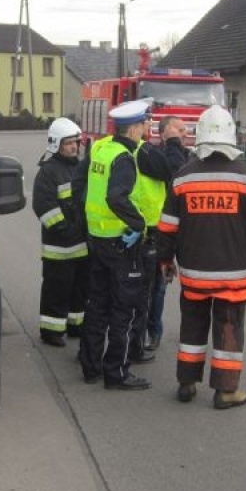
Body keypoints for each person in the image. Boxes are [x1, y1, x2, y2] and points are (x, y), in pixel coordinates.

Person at [157, 105, 246, 410]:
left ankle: (186, 383)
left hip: (194, 273)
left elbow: (168, 226)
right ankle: (225, 391)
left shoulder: (182, 178)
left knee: (192, 325)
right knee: (229, 328)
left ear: (199, 137)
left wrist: (165, 260)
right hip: (232, 275)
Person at [78, 99, 166, 390]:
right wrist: (139, 224)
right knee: (124, 309)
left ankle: (90, 367)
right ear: (133, 128)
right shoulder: (125, 158)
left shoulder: (102, 149)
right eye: (143, 124)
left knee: (97, 305)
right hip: (120, 244)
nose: (145, 128)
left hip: (97, 238)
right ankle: (116, 373)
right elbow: (116, 197)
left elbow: (88, 189)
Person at [32, 118, 90, 347]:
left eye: (76, 142)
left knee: (80, 290)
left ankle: (76, 325)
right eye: (68, 143)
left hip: (82, 246)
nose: (74, 147)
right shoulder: (48, 173)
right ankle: (51, 331)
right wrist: (66, 230)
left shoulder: (80, 168)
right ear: (56, 145)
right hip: (59, 248)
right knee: (57, 290)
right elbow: (44, 207)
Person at [145, 116, 191, 351]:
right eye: (179, 130)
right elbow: (176, 175)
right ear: (164, 134)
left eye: (185, 130)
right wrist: (173, 145)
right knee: (156, 287)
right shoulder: (156, 154)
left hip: (182, 232)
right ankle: (152, 331)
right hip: (159, 230)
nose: (185, 134)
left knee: (181, 285)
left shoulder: (189, 155)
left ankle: (190, 332)